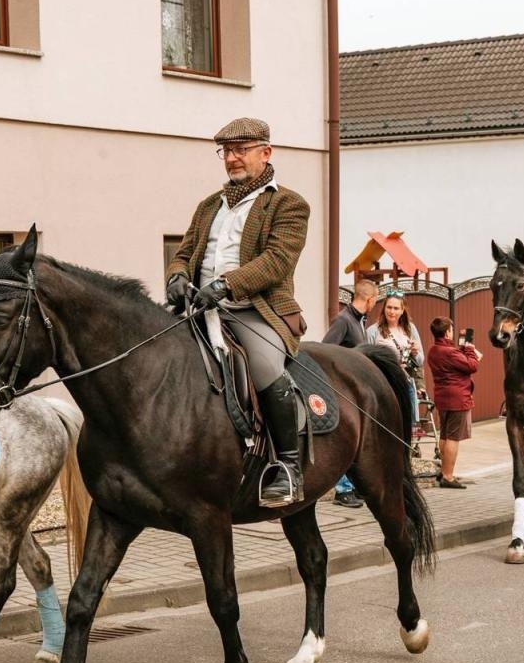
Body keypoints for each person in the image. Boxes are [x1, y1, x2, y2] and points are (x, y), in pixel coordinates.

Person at [166, 117, 310, 507]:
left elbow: (277, 260)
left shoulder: (288, 204)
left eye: (241, 150)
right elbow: (183, 254)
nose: (232, 158)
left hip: (253, 310)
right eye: (226, 151)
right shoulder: (208, 205)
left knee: (265, 368)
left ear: (266, 152)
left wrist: (227, 285)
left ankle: (288, 467)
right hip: (198, 306)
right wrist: (178, 277)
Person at [322, 280, 378, 508]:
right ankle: (342, 490)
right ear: (370, 299)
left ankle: (353, 486)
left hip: (355, 392)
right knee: (346, 441)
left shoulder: (358, 321)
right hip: (342, 392)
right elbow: (325, 349)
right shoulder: (344, 321)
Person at [426, 317, 480, 488]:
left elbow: (458, 362)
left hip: (442, 397)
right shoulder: (450, 352)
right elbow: (472, 366)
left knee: (444, 435)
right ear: (448, 332)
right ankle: (448, 476)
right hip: (457, 398)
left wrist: (463, 347)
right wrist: (470, 348)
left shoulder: (434, 351)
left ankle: (444, 471)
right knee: (453, 438)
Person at [367, 288, 425, 423]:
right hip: (384, 385)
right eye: (389, 307)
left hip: (405, 382)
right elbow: (367, 360)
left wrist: (415, 353)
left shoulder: (410, 329)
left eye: (396, 308)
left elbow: (421, 360)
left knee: (407, 426)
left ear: (402, 310)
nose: (392, 312)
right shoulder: (373, 331)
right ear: (384, 308)